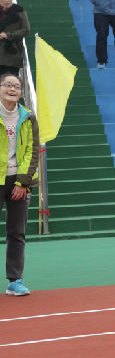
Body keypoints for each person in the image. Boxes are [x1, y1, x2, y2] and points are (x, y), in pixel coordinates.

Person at [0, 73, 38, 296]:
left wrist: (23, 182)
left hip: (18, 179)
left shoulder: (28, 117)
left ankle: (15, 280)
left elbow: (32, 152)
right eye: (7, 85)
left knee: (17, 232)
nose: (12, 89)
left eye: (16, 86)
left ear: (21, 92)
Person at [0, 0, 30, 79]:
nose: (7, 1)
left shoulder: (19, 11)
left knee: (9, 81)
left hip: (12, 52)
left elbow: (26, 30)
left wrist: (8, 35)